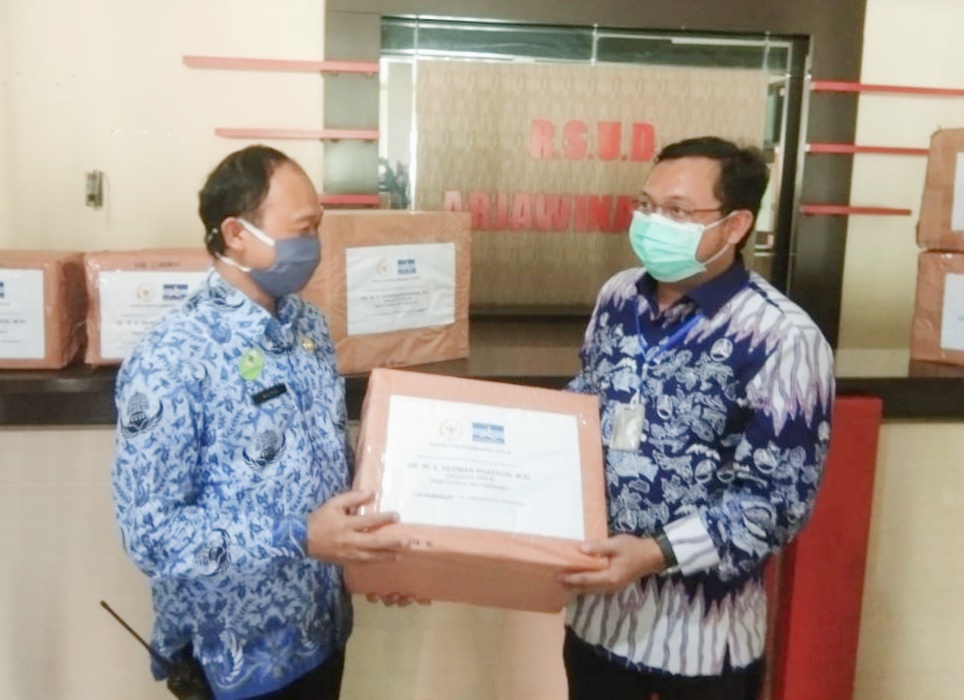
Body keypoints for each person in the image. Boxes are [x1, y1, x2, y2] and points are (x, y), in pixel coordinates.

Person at [111, 145, 408, 700]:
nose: (314, 244)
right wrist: (298, 536)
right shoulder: (171, 358)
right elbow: (151, 535)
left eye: (317, 227)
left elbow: (331, 468)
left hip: (322, 631)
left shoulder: (308, 327)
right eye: (302, 229)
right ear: (236, 234)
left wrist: (375, 557)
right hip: (237, 660)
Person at [560, 137, 835, 700]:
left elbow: (774, 503)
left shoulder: (783, 338)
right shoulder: (618, 298)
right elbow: (583, 408)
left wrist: (654, 553)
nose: (652, 222)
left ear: (735, 226)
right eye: (646, 205)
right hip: (597, 624)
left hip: (702, 644)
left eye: (678, 211)